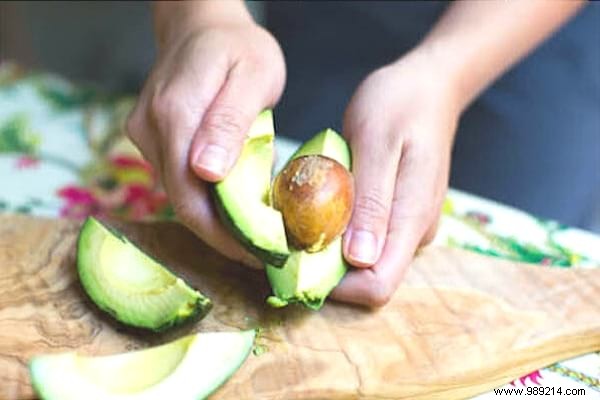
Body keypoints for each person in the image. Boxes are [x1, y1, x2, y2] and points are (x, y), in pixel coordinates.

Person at [126, 0, 597, 307]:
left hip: (531, 37)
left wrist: (447, 71)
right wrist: (198, 17)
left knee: (515, 284)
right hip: (329, 19)